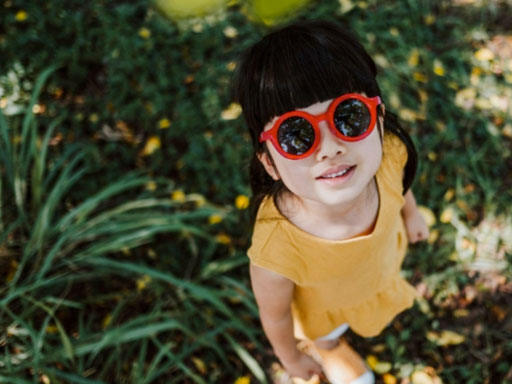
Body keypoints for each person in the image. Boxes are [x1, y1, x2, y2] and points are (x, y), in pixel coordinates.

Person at [231, 20, 429, 384]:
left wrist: (412, 214)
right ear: (270, 162)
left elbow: (400, 186)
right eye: (296, 134)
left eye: (348, 116)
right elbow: (275, 315)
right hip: (323, 310)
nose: (330, 148)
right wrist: (290, 359)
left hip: (378, 268)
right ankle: (330, 348)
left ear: (379, 122)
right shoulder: (277, 248)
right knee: (328, 334)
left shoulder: (389, 157)